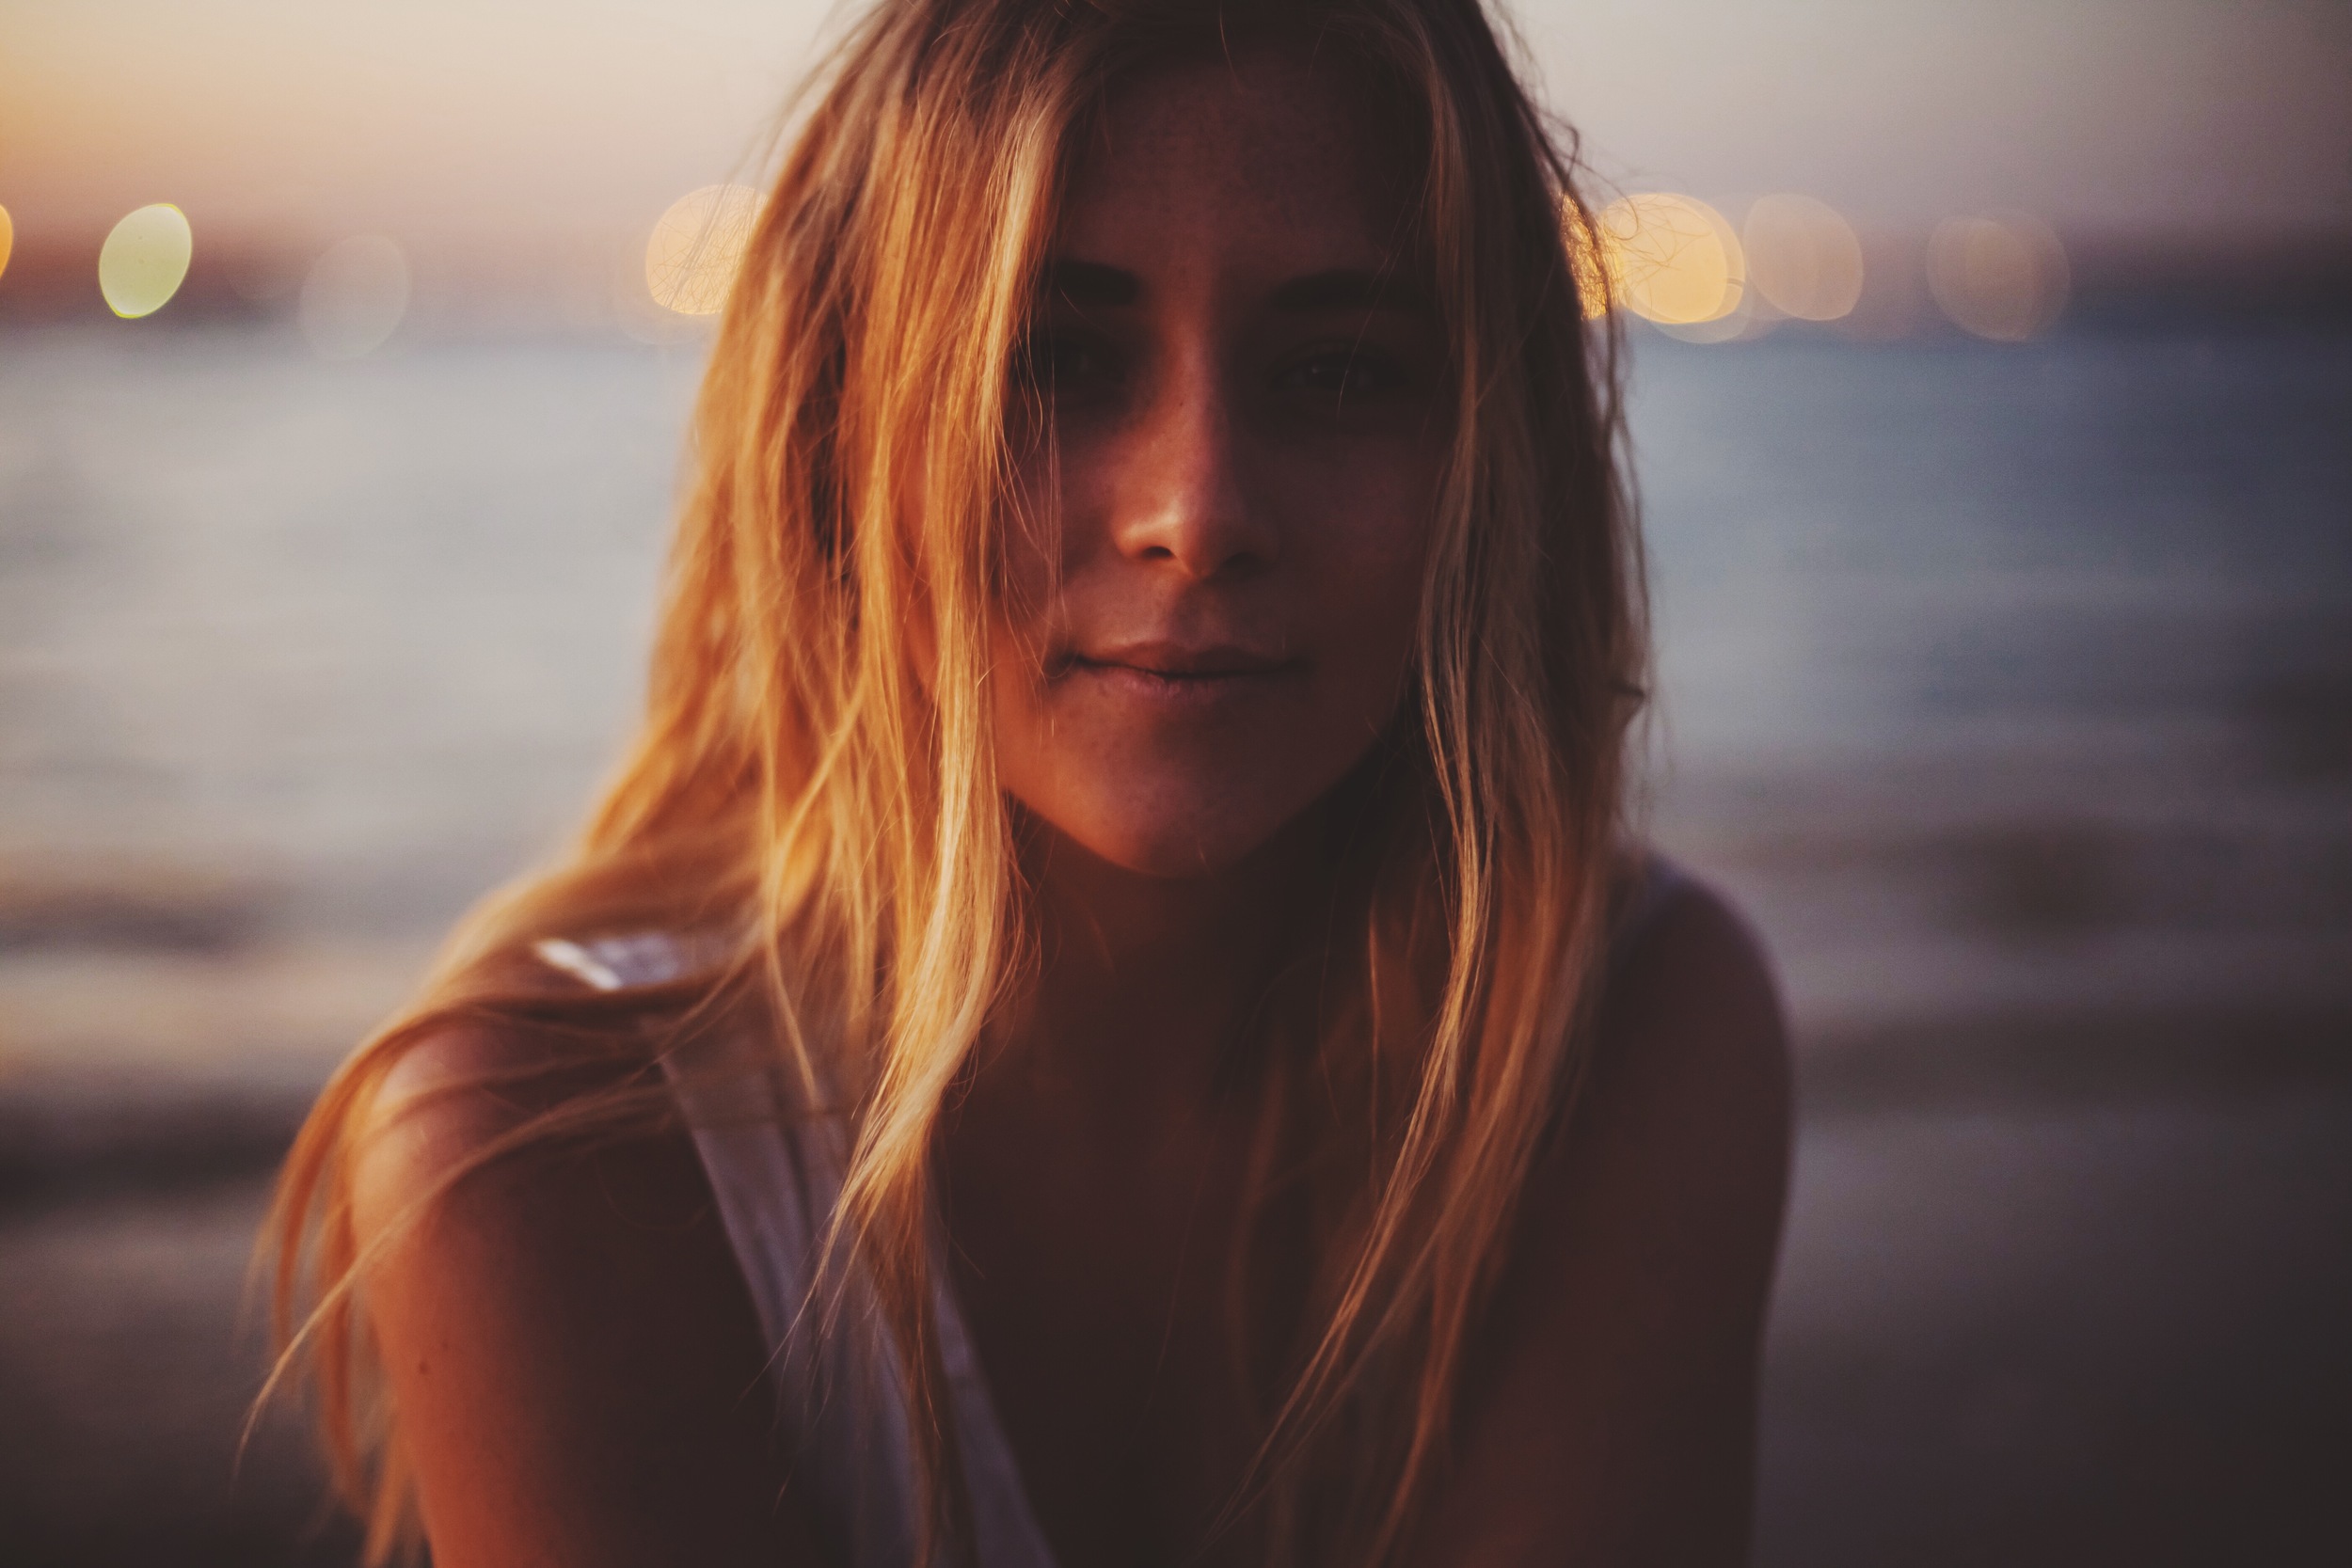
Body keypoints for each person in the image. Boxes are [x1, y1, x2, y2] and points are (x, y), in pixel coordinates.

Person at [267, 1, 1790, 1563]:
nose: (1196, 512)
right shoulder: (552, 1156)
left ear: (1496, 455)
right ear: (832, 441)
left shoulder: (1624, 1033)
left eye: (1339, 371)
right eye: (1053, 357)